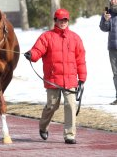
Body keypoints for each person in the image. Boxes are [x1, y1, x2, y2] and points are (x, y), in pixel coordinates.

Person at [24, 8, 87, 144]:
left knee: (70, 105)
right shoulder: (46, 36)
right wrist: (31, 55)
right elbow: (37, 50)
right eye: (60, 20)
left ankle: (69, 135)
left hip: (70, 79)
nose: (63, 22)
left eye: (65, 20)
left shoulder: (75, 38)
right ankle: (43, 126)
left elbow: (80, 59)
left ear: (68, 21)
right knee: (52, 105)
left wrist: (82, 78)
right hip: (53, 78)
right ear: (55, 21)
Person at [99, 0, 117, 105]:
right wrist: (105, 20)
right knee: (116, 74)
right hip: (113, 48)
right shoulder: (107, 12)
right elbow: (103, 28)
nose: (113, 1)